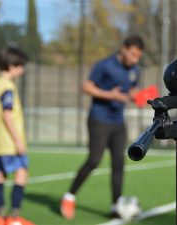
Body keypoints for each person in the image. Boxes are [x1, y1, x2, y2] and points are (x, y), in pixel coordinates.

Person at [60, 34, 144, 220]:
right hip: (99, 119)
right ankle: (69, 197)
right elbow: (87, 87)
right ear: (123, 49)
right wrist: (110, 95)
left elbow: (131, 90)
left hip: (118, 122)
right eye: (132, 54)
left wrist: (138, 96)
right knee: (94, 159)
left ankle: (116, 205)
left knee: (119, 163)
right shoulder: (104, 65)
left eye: (138, 56)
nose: (135, 59)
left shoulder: (135, 70)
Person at [0, 46, 35, 225]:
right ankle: (14, 218)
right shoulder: (7, 86)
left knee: (0, 176)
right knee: (21, 174)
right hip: (9, 142)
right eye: (21, 66)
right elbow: (7, 114)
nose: (23, 70)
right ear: (12, 66)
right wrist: (18, 140)